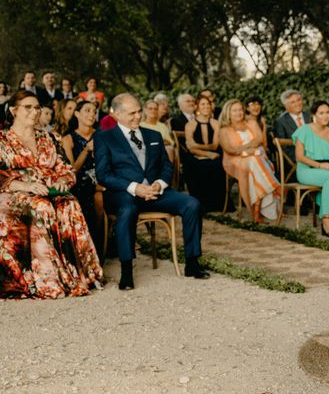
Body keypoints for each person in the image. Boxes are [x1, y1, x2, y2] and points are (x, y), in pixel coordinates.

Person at [94, 93, 209, 290]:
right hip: (124, 194)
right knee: (128, 210)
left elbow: (166, 166)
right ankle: (127, 270)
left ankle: (192, 262)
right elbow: (104, 175)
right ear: (117, 115)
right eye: (132, 113)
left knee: (192, 204)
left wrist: (159, 184)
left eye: (139, 111)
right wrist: (134, 188)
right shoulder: (104, 138)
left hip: (156, 192)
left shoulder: (153, 135)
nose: (138, 116)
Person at [0, 91, 103, 298]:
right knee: (41, 207)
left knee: (70, 204)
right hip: (13, 192)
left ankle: (78, 275)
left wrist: (63, 181)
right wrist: (23, 185)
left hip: (49, 190)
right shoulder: (2, 139)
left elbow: (66, 168)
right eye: (27, 107)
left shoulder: (49, 138)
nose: (34, 111)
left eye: (37, 107)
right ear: (14, 110)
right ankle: (46, 280)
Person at [293, 101, 329, 236]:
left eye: (327, 113)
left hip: (327, 167)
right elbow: (299, 157)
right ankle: (326, 219)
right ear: (314, 115)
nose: (325, 116)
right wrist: (320, 166)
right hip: (307, 169)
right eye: (321, 113)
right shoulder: (304, 130)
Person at [219, 100, 280, 223]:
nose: (238, 113)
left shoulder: (251, 122)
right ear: (228, 113)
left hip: (257, 156)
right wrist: (249, 150)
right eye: (234, 110)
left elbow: (259, 139)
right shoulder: (224, 130)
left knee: (254, 162)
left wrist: (248, 150)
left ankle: (256, 208)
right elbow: (230, 150)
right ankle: (271, 189)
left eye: (240, 109)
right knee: (254, 161)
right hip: (235, 160)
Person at [61, 99, 105, 257]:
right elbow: (71, 170)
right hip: (81, 180)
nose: (92, 114)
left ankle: (99, 247)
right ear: (77, 114)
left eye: (94, 111)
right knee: (93, 195)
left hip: (104, 177)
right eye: (87, 110)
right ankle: (89, 248)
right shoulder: (68, 139)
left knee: (99, 197)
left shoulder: (103, 134)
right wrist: (86, 150)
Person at [183, 95, 226, 214]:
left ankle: (217, 204)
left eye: (208, 104)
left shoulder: (216, 123)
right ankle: (199, 204)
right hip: (196, 156)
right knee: (194, 165)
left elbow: (215, 146)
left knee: (217, 165)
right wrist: (207, 153)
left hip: (214, 154)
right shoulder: (190, 124)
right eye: (203, 104)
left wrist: (200, 148)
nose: (206, 106)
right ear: (197, 107)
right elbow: (190, 148)